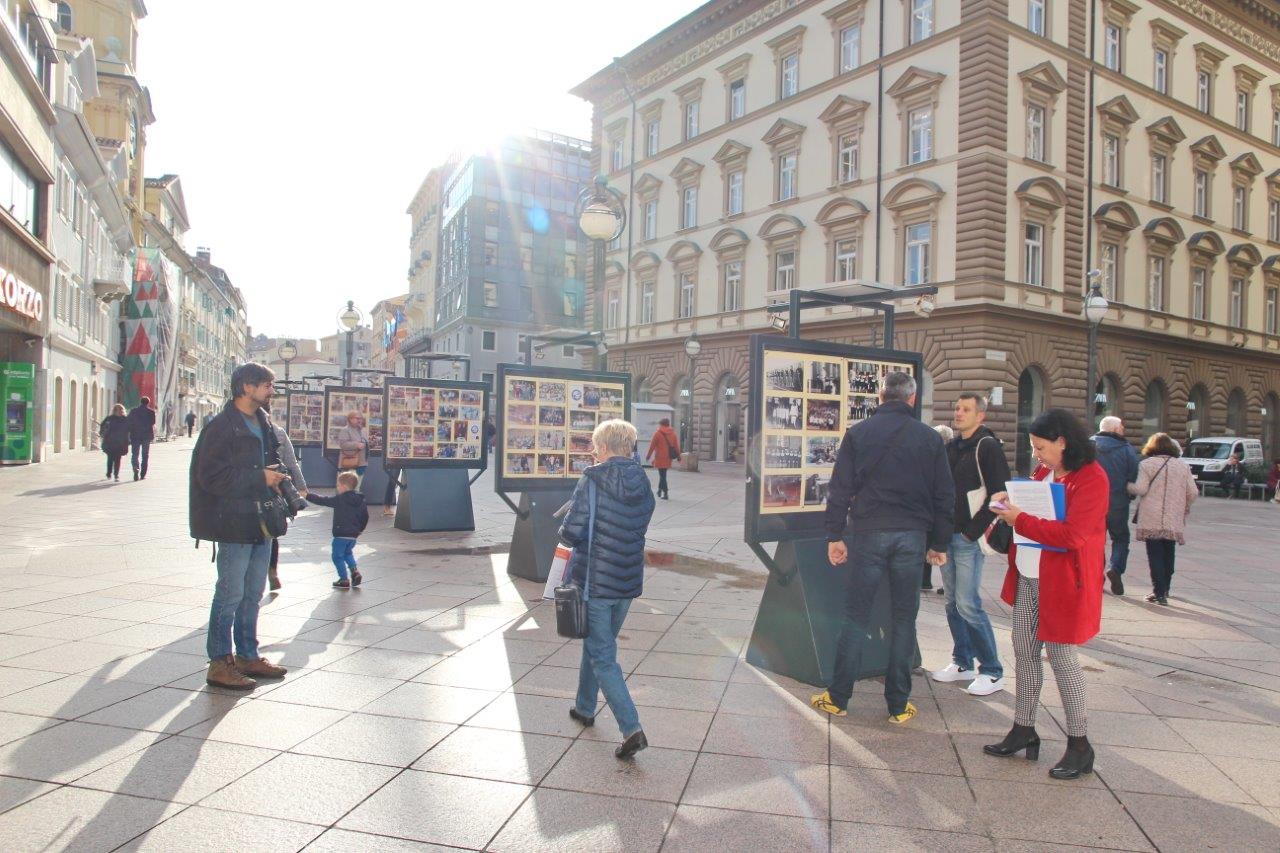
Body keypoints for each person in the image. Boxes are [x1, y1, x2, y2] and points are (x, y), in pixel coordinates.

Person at [810, 372, 954, 724]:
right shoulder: (929, 438)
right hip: (912, 536)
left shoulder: (859, 434)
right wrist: (939, 543)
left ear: (879, 397)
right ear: (912, 398)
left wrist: (834, 535)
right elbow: (944, 495)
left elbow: (840, 489)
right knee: (905, 619)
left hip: (870, 533)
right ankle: (898, 705)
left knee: (856, 616)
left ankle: (839, 697)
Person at [985, 408, 1106, 780]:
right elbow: (1032, 511)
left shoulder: (1092, 478)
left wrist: (1018, 518)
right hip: (1029, 575)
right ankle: (1024, 728)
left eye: (1041, 447)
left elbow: (1073, 536)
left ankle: (1080, 744)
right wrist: (1006, 503)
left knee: (1062, 656)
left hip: (1064, 583)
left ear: (1062, 443)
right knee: (1023, 649)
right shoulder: (1044, 472)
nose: (1036, 454)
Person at [191, 363, 289, 690]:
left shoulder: (264, 423)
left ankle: (248, 654)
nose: (270, 391)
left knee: (253, 593)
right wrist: (259, 476)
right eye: (266, 385)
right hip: (233, 520)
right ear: (247, 387)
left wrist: (274, 477)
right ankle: (219, 662)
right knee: (230, 592)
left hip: (261, 519)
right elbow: (211, 477)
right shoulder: (222, 427)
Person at [562, 418, 656, 760]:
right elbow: (644, 518)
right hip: (627, 579)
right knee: (598, 642)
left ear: (603, 447)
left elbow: (573, 529)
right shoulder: (642, 479)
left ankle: (631, 728)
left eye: (595, 445)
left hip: (596, 581)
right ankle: (585, 707)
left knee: (603, 656)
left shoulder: (592, 478)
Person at [932, 393, 1009, 697]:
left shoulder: (986, 446)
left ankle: (992, 670)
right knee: (952, 602)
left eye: (966, 409)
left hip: (966, 538)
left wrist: (971, 533)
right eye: (957, 407)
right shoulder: (952, 447)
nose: (959, 413)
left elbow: (1001, 496)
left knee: (968, 604)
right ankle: (961, 661)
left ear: (981, 417)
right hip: (949, 536)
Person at [1128, 432, 1197, 605]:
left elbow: (1141, 489)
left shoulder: (1146, 464)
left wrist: (1127, 485)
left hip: (1152, 515)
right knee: (1169, 552)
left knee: (1155, 554)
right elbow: (1193, 492)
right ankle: (1165, 588)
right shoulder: (1182, 466)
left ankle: (1158, 592)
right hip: (1173, 515)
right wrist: (1185, 505)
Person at [1093, 415, 1140, 596]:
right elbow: (1133, 474)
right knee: (1120, 538)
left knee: (1095, 541)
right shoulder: (1126, 449)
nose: (1123, 430)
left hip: (1093, 503)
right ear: (1114, 429)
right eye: (1121, 427)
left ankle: (1097, 578)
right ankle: (1116, 568)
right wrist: (1129, 494)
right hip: (1118, 502)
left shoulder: (1089, 445)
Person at [307, 471, 370, 589]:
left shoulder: (340, 499)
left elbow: (324, 500)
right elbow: (365, 516)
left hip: (341, 534)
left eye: (338, 485)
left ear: (344, 487)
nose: (337, 488)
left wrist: (307, 495)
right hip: (353, 535)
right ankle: (355, 571)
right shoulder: (361, 500)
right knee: (348, 553)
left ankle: (344, 579)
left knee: (337, 556)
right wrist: (360, 529)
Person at [267, 413, 307, 592]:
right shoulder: (279, 431)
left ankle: (262, 572)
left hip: (255, 488)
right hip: (275, 490)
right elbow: (292, 463)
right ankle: (272, 571)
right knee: (272, 533)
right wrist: (301, 487)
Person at [922, 424, 955, 593]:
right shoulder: (948, 454)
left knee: (930, 545)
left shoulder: (938, 456)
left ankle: (925, 581)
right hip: (944, 512)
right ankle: (942, 585)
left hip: (936, 511)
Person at [646, 418, 681, 500]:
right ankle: (659, 490)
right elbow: (676, 446)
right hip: (668, 458)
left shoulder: (657, 434)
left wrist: (648, 456)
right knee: (663, 475)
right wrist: (679, 456)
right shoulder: (673, 434)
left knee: (662, 476)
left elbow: (652, 446)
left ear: (661, 424)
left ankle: (665, 493)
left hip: (659, 458)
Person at [127, 396, 156, 480]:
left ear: (140, 402)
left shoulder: (133, 411)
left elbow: (129, 421)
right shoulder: (151, 412)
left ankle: (136, 467)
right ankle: (143, 474)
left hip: (135, 435)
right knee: (145, 455)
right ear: (148, 403)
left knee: (135, 454)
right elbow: (153, 422)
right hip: (146, 435)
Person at [99, 404, 130, 481]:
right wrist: (102, 434)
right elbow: (102, 427)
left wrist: (128, 439)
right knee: (110, 458)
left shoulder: (125, 419)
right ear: (115, 411)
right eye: (118, 410)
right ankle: (109, 473)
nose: (120, 412)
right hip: (110, 442)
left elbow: (129, 430)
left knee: (117, 459)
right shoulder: (109, 419)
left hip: (120, 443)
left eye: (121, 410)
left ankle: (116, 475)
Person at [335, 411, 369, 478]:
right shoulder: (345, 430)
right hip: (349, 462)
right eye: (357, 418)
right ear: (350, 419)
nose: (359, 420)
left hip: (361, 463)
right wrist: (356, 445)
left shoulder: (362, 430)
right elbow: (343, 444)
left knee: (357, 485)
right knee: (346, 485)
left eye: (361, 418)